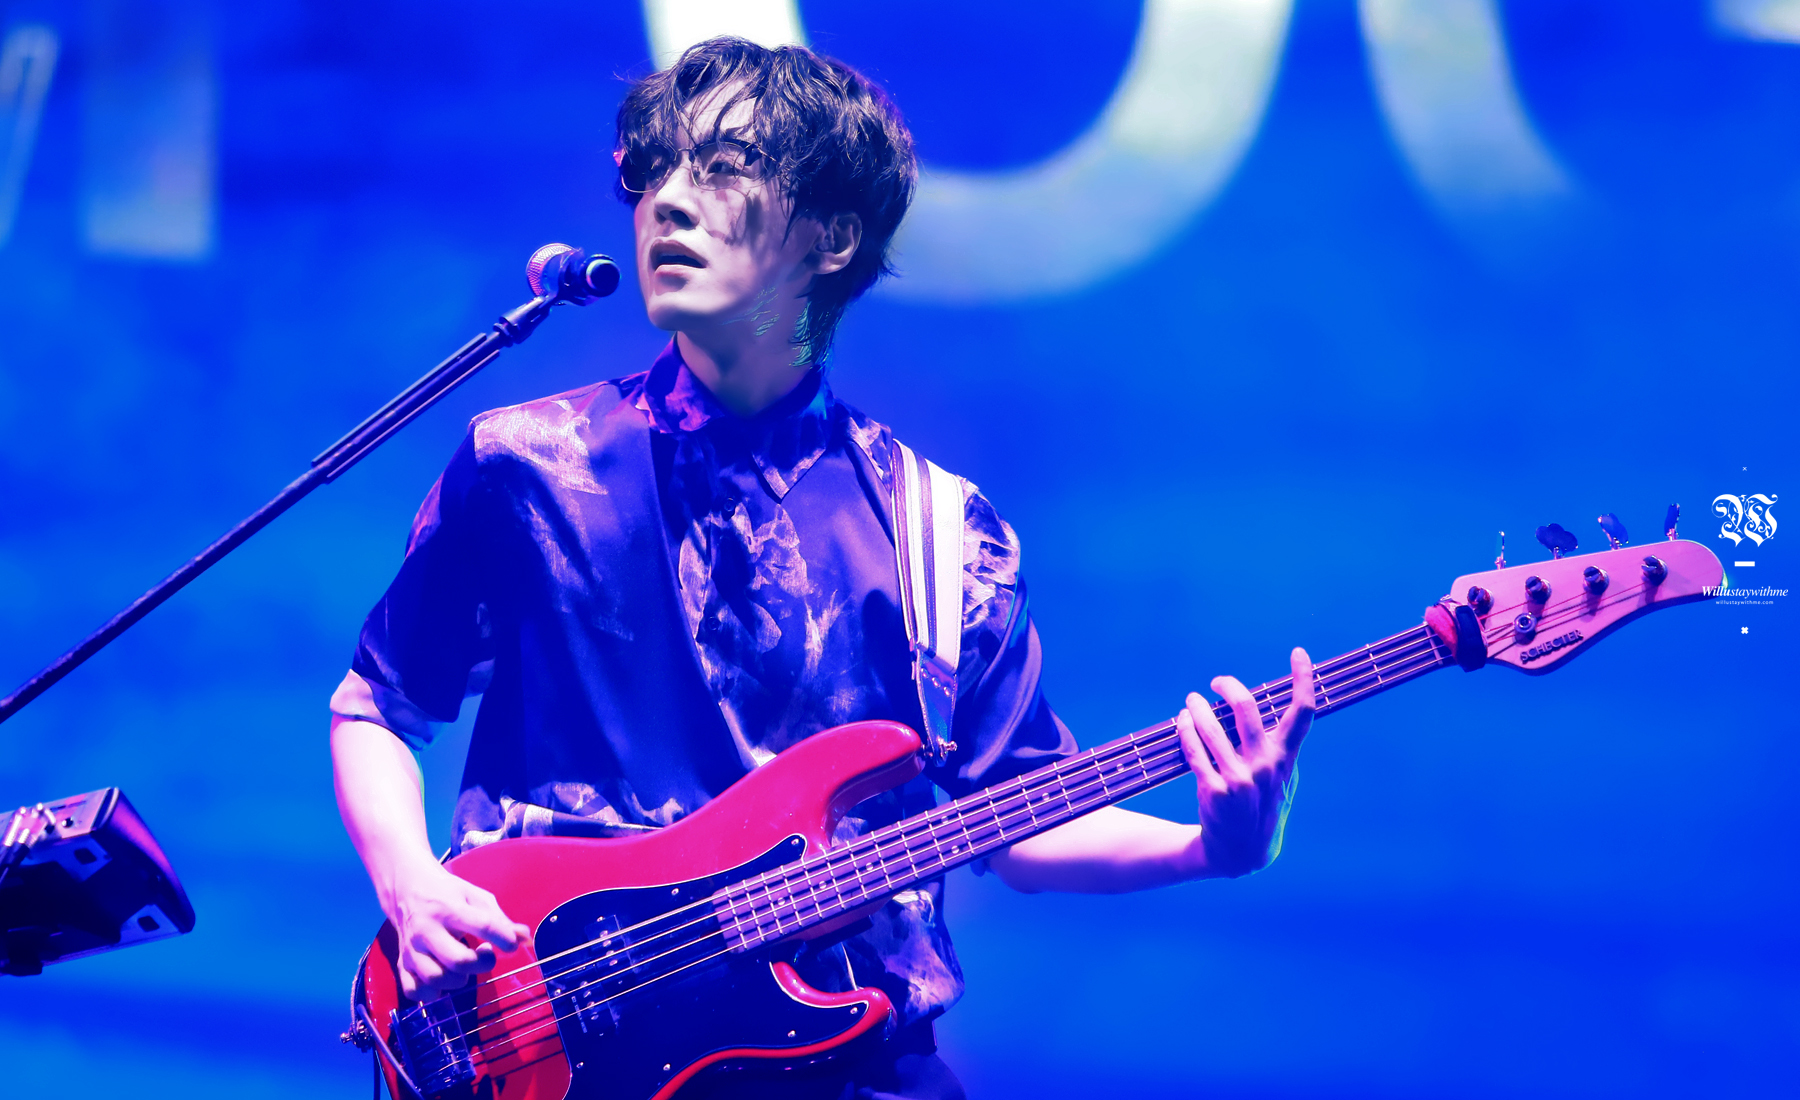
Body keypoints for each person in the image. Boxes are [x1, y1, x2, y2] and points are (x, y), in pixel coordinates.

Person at [329, 37, 1314, 1100]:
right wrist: (410, 883)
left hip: (844, 1068)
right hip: (555, 1050)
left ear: (834, 235)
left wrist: (1209, 847)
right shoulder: (526, 465)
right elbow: (375, 705)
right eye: (653, 171)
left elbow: (1022, 814)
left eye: (720, 169)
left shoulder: (945, 535)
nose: (667, 201)